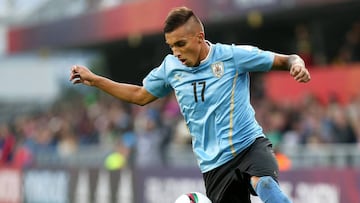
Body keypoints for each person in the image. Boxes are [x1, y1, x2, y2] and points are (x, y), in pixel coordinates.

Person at [70, 6, 310, 203]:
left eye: (181, 44)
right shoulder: (170, 68)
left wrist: (296, 64)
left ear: (200, 37)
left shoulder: (232, 56)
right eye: (171, 46)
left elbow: (286, 59)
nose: (176, 52)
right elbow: (139, 95)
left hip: (249, 145)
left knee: (264, 183)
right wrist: (96, 80)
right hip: (214, 165)